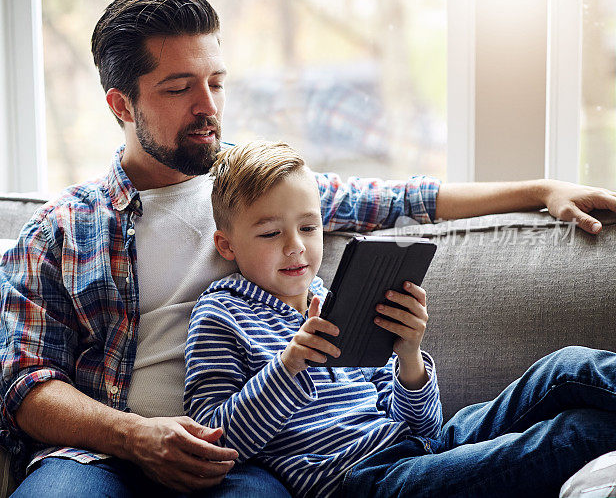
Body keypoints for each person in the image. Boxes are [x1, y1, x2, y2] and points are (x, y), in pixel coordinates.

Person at [0, 0, 616, 497]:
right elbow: (24, 382)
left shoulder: (260, 186)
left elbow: (402, 199)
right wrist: (135, 436)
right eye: (180, 88)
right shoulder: (62, 231)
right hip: (105, 452)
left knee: (571, 395)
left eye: (217, 82)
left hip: (240, 465)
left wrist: (541, 189)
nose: (208, 107)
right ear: (120, 105)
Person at [184, 140, 616, 498]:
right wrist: (289, 366)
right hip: (359, 481)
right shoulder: (221, 313)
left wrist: (409, 357)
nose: (296, 246)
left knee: (568, 366)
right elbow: (215, 444)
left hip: (420, 448)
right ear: (227, 246)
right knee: (577, 435)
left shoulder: (334, 298)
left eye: (309, 228)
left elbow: (423, 426)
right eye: (270, 233)